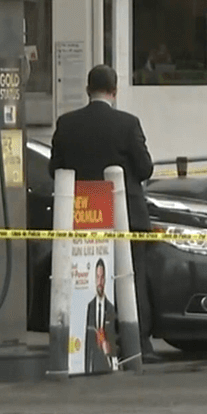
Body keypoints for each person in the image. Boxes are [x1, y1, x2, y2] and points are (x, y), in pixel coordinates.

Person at [50, 64, 162, 363]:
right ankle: (136, 344)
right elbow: (145, 168)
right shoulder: (127, 123)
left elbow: (55, 169)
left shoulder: (66, 123)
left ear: (88, 90)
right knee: (131, 277)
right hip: (126, 213)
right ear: (114, 91)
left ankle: (86, 342)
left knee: (86, 277)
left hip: (83, 210)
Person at [85, 258, 119, 373]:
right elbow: (87, 342)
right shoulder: (90, 307)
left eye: (102, 277)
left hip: (107, 363)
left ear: (105, 279)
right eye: (97, 278)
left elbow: (115, 337)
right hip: (93, 364)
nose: (99, 282)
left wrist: (111, 353)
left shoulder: (110, 308)